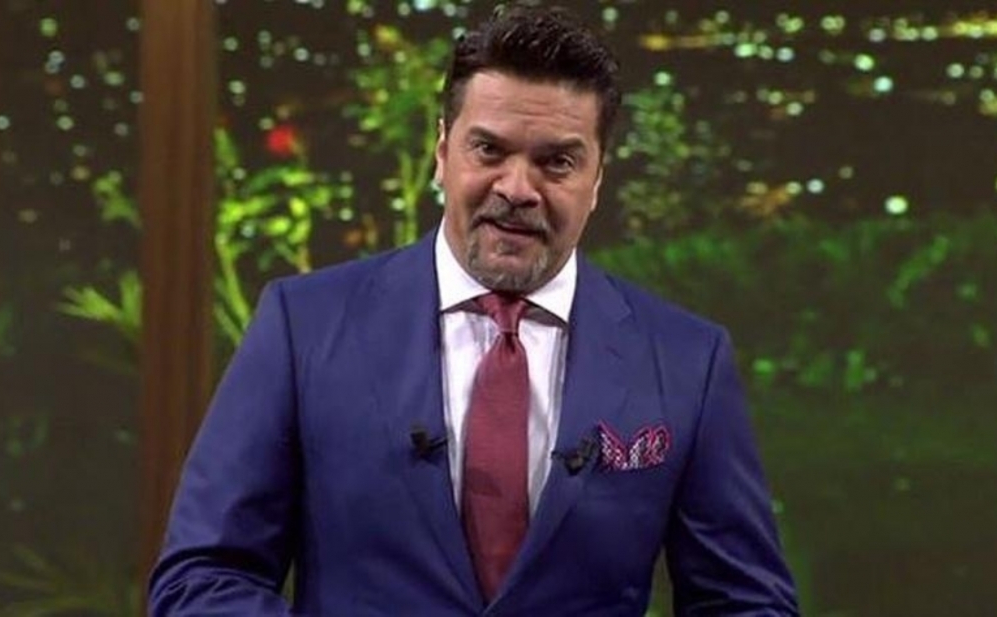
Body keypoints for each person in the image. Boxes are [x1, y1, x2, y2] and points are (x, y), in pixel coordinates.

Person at [149, 4, 799, 616]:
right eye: (489, 150)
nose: (517, 188)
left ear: (598, 178)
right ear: (442, 151)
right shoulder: (304, 327)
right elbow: (201, 579)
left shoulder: (686, 362)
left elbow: (747, 602)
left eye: (557, 162)